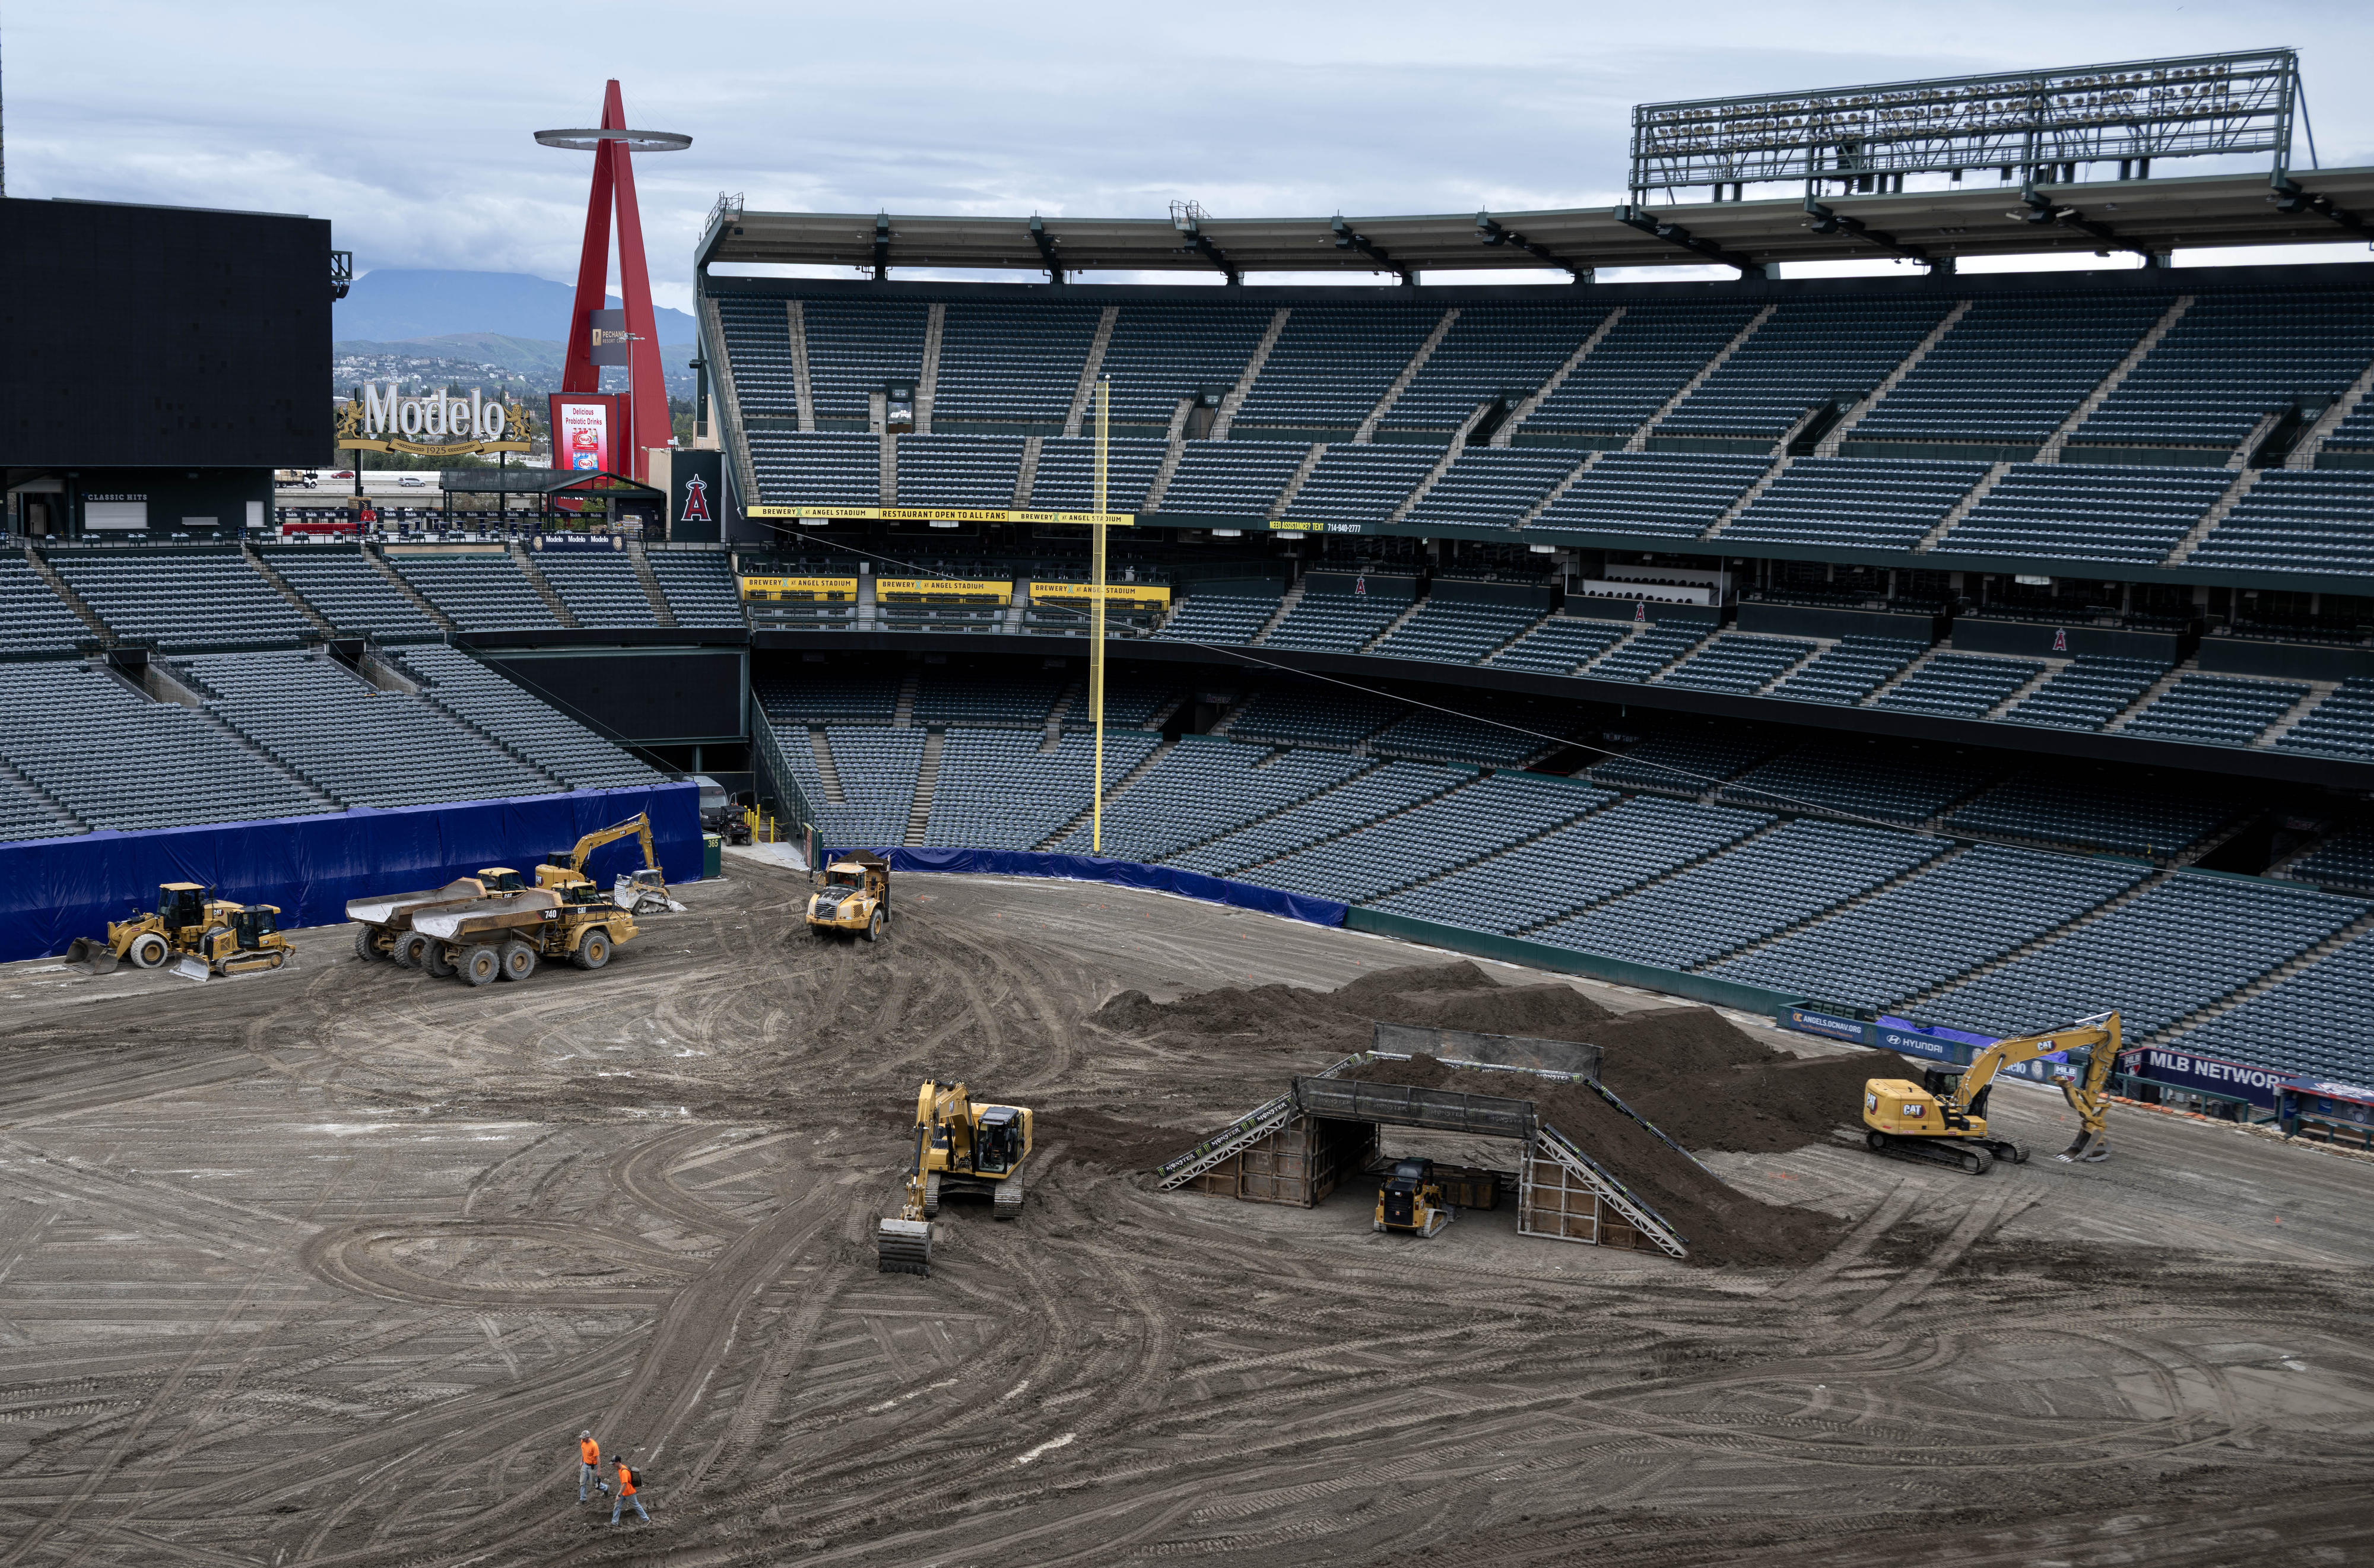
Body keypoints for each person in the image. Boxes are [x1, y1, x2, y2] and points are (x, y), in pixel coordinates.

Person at [610, 1454, 648, 1525]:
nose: (613, 1465)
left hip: (629, 1493)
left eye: (614, 1464)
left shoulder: (624, 1471)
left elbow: (625, 1484)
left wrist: (619, 1495)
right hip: (624, 1491)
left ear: (618, 1462)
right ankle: (614, 1523)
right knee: (617, 1506)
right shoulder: (620, 1468)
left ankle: (646, 1520)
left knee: (636, 1506)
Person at [576, 1430, 602, 1502]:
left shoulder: (594, 1445)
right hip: (585, 1465)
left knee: (594, 1483)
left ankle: (605, 1489)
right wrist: (581, 1461)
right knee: (582, 1482)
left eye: (584, 1438)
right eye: (582, 1438)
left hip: (593, 1467)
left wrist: (599, 1471)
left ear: (588, 1437)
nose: (582, 1439)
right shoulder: (583, 1442)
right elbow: (583, 1452)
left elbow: (598, 1459)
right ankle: (583, 1499)